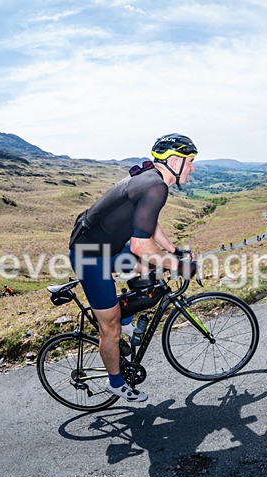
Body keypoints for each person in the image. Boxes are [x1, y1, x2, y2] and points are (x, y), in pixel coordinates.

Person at [68, 133, 199, 402]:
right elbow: (140, 246)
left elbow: (149, 223)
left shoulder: (152, 179)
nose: (193, 167)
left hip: (108, 248)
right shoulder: (155, 186)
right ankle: (115, 382)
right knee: (110, 328)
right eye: (191, 161)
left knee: (146, 268)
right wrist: (178, 266)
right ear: (175, 160)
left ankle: (126, 319)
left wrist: (174, 251)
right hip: (89, 256)